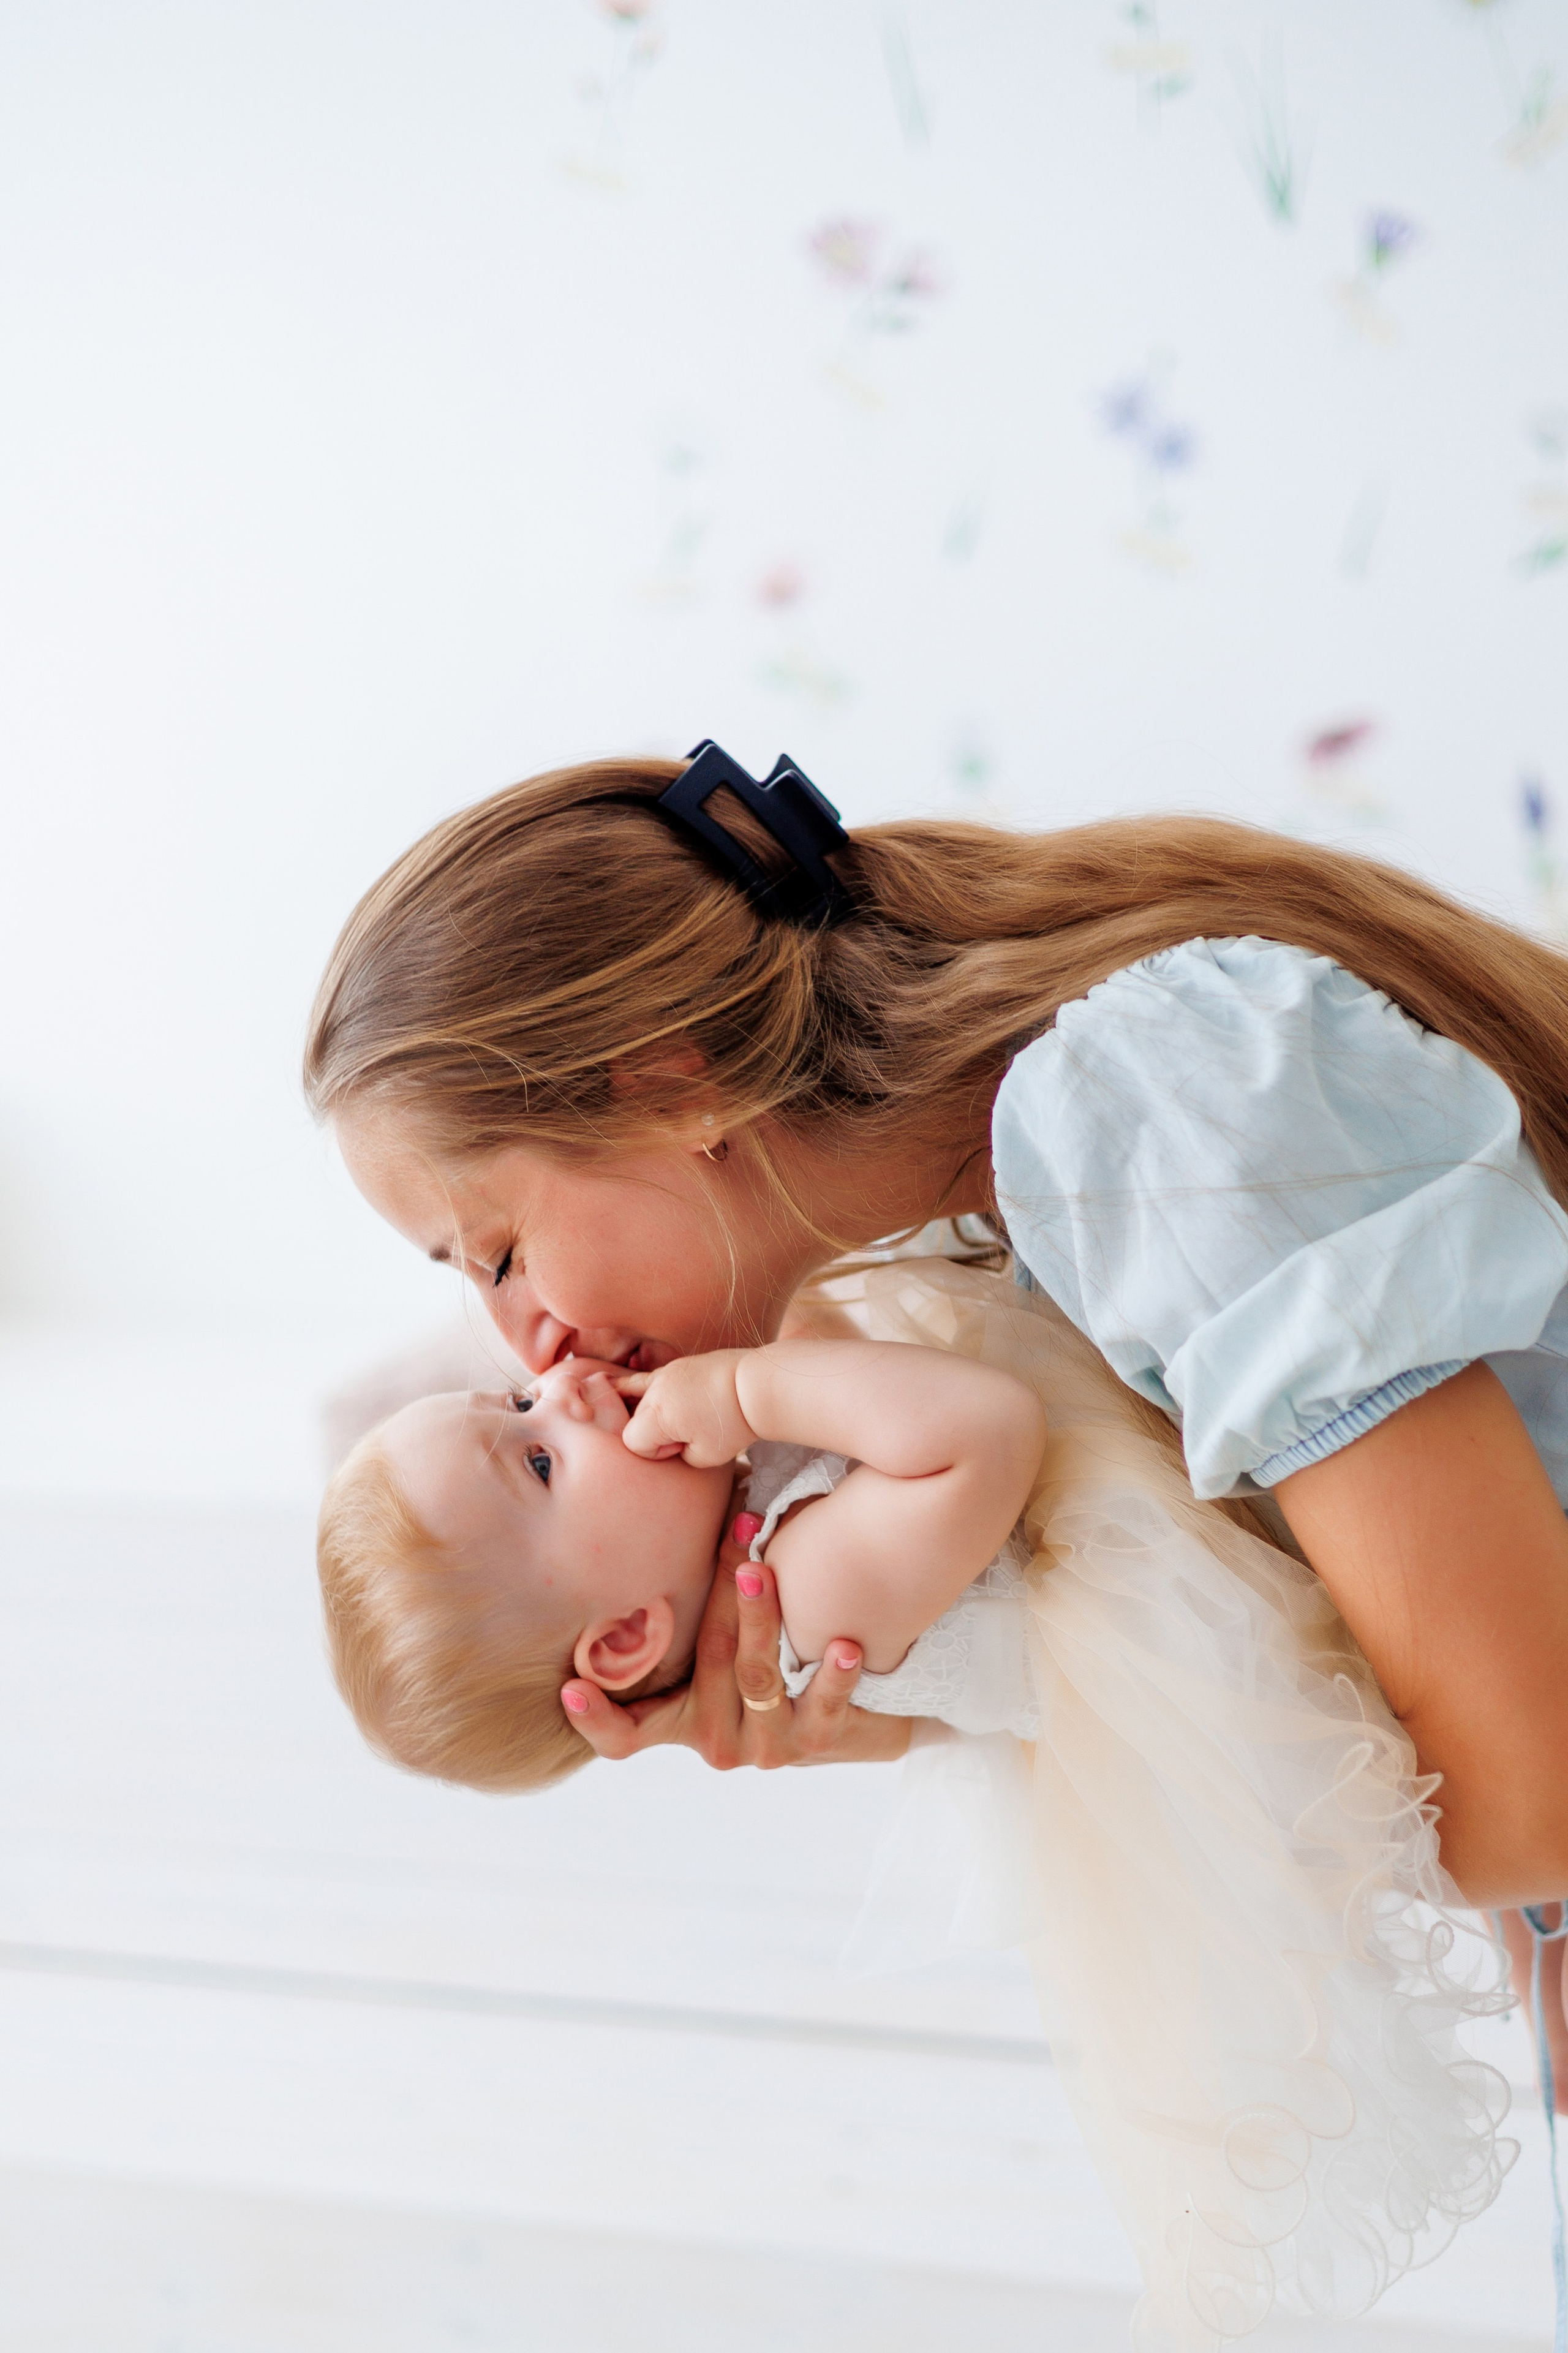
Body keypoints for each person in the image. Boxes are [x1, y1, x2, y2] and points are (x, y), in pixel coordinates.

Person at [303, 741, 1568, 2070]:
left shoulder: (1143, 1120)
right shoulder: (962, 1239)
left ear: (671, 1087)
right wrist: (883, 1703)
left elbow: (1520, 1804)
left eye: (497, 1252)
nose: (530, 1345)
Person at [314, 1261, 1517, 2347]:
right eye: (536, 1458)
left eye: (511, 1401)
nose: (560, 1390)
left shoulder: (734, 1522)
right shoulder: (795, 1595)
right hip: (1219, 1605)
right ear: (628, 1635)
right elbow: (978, 1431)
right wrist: (742, 1389)